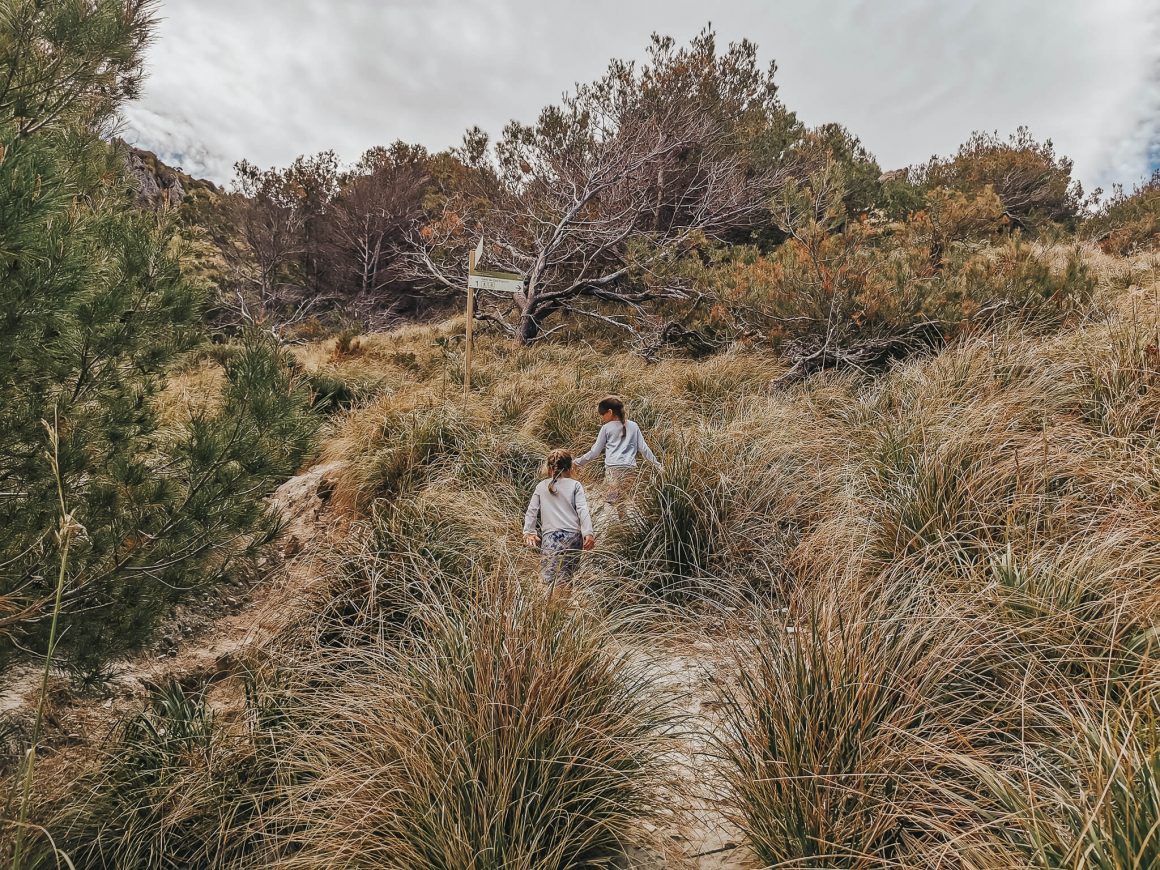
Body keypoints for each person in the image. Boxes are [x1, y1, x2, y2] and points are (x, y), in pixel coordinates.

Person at [523, 449, 595, 588]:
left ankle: (555, 608)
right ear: (570, 468)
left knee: (550, 580)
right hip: (574, 537)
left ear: (549, 469)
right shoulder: (575, 485)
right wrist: (588, 533)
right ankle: (563, 606)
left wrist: (529, 531)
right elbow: (582, 509)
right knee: (566, 577)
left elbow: (532, 510)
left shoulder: (541, 486)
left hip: (552, 538)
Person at [574, 395, 661, 511]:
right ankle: (626, 528)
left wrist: (577, 462)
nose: (602, 418)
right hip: (630, 470)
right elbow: (644, 449)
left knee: (610, 503)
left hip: (613, 471)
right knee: (625, 503)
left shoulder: (606, 428)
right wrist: (658, 465)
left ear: (609, 412)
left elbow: (594, 452)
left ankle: (611, 528)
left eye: (603, 414)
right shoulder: (634, 426)